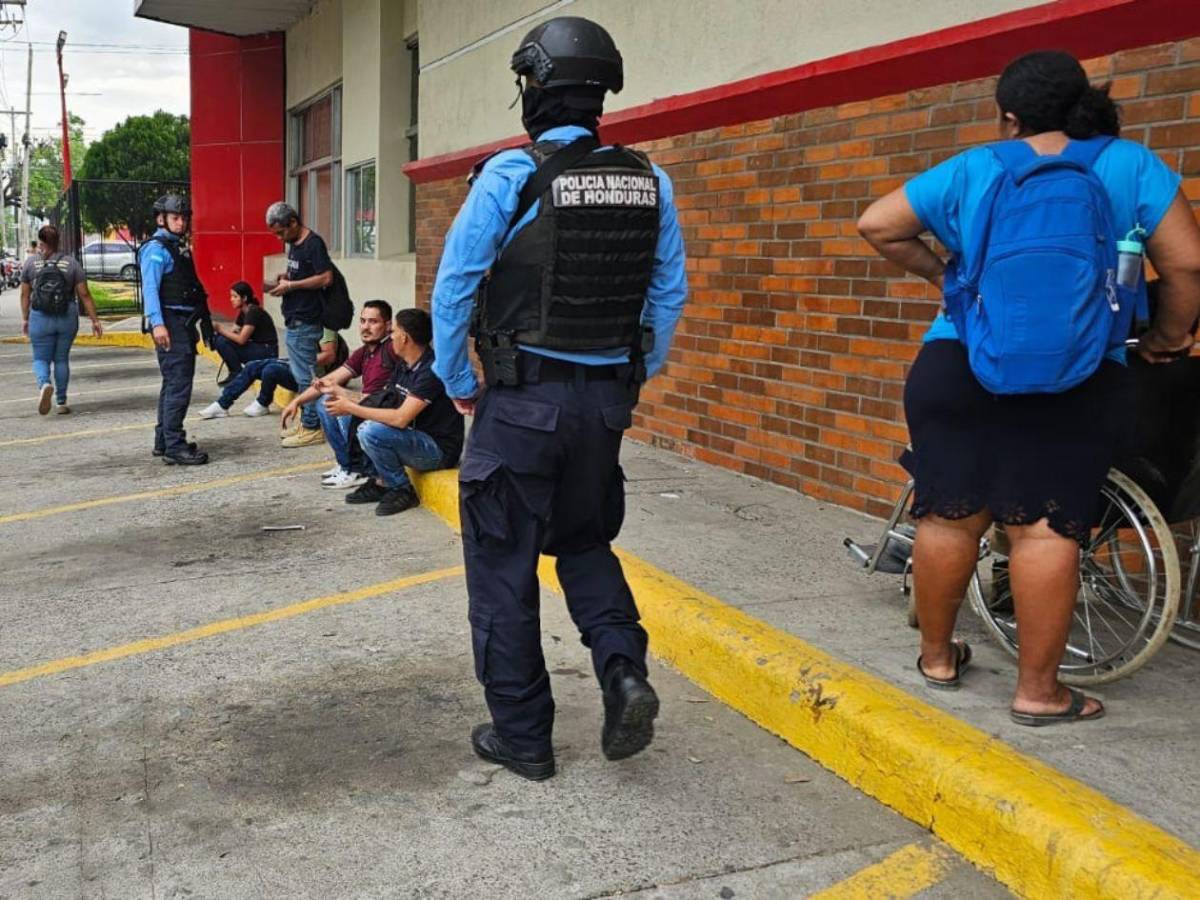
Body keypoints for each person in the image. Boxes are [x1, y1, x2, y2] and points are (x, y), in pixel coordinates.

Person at [857, 50, 1200, 725]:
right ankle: (1039, 693)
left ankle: (937, 658)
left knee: (948, 514)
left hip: (958, 362)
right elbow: (1187, 263)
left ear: (1009, 117)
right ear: (1082, 102)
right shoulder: (1128, 165)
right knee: (1046, 531)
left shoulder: (975, 166)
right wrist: (1167, 338)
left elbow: (877, 223)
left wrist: (945, 281)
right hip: (1077, 372)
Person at [432, 16, 688, 780]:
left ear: (533, 90)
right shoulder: (651, 180)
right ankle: (621, 670)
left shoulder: (510, 177)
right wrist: (632, 376)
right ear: (600, 95)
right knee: (582, 542)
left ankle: (524, 736)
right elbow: (668, 297)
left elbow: (455, 288)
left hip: (521, 404)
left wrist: (457, 383)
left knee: (503, 564)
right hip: (603, 404)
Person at [323, 308, 463, 515]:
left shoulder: (431, 371)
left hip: (437, 450)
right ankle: (379, 481)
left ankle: (401, 489)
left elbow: (400, 418)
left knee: (370, 430)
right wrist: (343, 395)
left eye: (394, 331)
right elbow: (384, 401)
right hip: (414, 437)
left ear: (405, 338)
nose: (391, 337)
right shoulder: (405, 364)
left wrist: (351, 407)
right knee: (354, 418)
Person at [280, 300, 394, 480]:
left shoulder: (391, 350)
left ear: (388, 325)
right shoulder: (364, 352)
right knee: (325, 400)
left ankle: (354, 469)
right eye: (363, 321)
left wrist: (340, 393)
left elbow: (377, 399)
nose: (366, 327)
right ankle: (345, 464)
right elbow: (331, 379)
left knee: (333, 402)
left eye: (373, 322)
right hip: (370, 407)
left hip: (387, 413)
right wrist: (297, 401)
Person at [141, 194, 211, 465]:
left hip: (180, 323)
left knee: (172, 384)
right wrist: (157, 323)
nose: (181, 223)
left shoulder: (174, 247)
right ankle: (174, 445)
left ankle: (164, 440)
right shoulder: (156, 249)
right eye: (175, 218)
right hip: (169, 324)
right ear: (162, 219)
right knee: (179, 385)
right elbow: (150, 288)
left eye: (184, 218)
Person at [265, 201, 333, 448]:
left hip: (306, 320)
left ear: (293, 222)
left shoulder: (312, 244)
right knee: (302, 375)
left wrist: (292, 286)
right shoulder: (295, 245)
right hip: (294, 319)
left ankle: (313, 427)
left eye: (282, 232)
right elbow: (301, 274)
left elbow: (326, 277)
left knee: (307, 379)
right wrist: (286, 279)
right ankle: (309, 423)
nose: (280, 238)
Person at [19, 224, 103, 415]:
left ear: (41, 242)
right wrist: (95, 320)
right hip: (66, 316)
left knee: (41, 358)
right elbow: (85, 294)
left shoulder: (31, 264)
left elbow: (24, 295)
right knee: (61, 359)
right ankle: (62, 401)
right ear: (58, 242)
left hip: (40, 317)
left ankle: (45, 384)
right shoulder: (71, 263)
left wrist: (25, 318)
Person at [200, 327, 340, 420]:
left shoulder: (326, 326)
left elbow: (329, 355)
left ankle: (262, 402)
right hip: (296, 365)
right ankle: (222, 404)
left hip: (311, 376)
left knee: (271, 369)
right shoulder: (304, 322)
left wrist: (299, 359)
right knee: (252, 366)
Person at [212, 281, 279, 384]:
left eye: (235, 297)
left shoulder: (253, 312)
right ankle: (235, 371)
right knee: (220, 340)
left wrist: (220, 329)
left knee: (222, 341)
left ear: (244, 298)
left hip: (268, 351)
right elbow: (233, 332)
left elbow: (241, 340)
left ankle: (236, 372)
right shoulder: (244, 312)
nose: (232, 300)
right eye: (231, 296)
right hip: (258, 348)